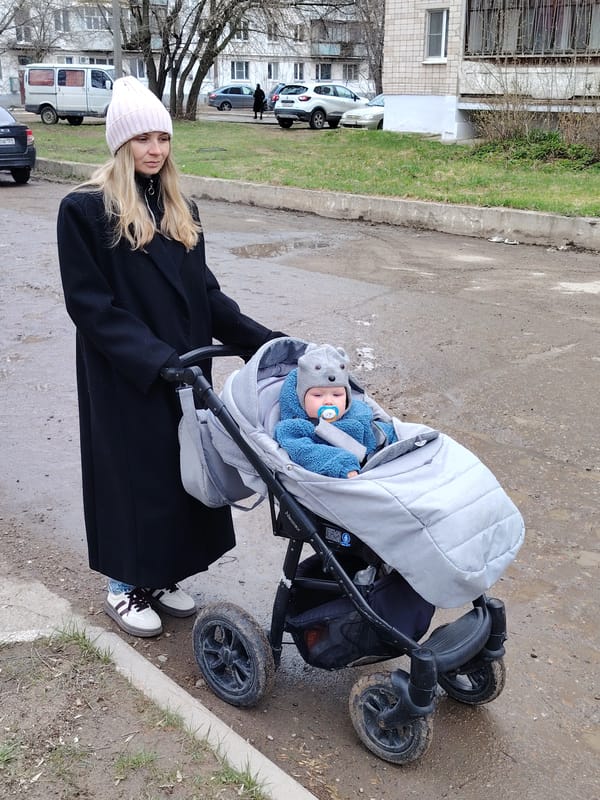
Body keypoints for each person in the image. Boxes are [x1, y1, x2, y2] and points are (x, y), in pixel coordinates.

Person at [57, 76, 284, 638]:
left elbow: (207, 296)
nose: (155, 149)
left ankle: (160, 577)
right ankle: (123, 585)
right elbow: (92, 306)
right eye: (143, 139)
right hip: (128, 374)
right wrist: (155, 358)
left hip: (185, 370)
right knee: (136, 481)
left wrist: (264, 341)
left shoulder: (182, 208)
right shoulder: (85, 210)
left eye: (162, 138)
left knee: (182, 478)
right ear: (121, 144)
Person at [274, 344, 397, 479]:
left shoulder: (358, 413)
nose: (328, 401)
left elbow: (377, 431)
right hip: (344, 474)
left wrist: (397, 436)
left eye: (337, 395)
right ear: (300, 399)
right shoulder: (294, 428)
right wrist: (342, 464)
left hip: (378, 465)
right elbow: (306, 452)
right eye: (318, 395)